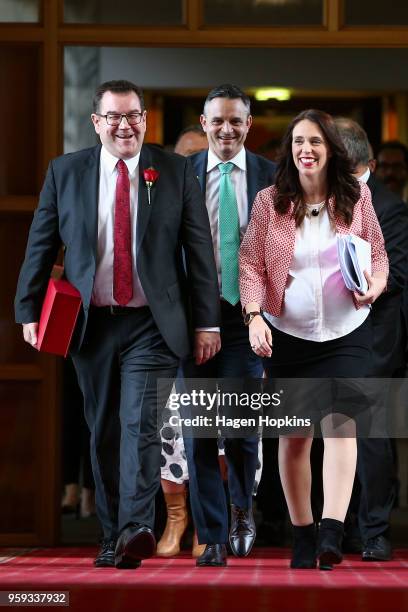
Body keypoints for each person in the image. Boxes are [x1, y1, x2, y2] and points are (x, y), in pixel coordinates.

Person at [15, 79, 221, 569]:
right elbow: (41, 245)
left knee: (142, 426)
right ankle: (112, 534)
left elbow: (199, 250)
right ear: (97, 123)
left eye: (134, 116)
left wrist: (207, 323)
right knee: (104, 430)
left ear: (145, 119)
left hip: (153, 322)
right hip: (92, 324)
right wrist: (27, 310)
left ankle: (135, 527)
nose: (126, 126)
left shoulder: (171, 171)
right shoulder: (65, 172)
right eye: (115, 117)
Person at [240, 109, 388, 570]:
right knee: (296, 438)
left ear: (330, 151)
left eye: (316, 142)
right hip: (289, 334)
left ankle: (330, 531)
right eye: (299, 141)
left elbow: (379, 257)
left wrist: (375, 287)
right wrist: (253, 316)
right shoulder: (270, 201)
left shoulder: (355, 196)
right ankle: (303, 534)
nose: (307, 150)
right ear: (290, 150)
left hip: (347, 332)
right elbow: (249, 264)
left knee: (341, 428)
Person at [184, 84, 276, 567]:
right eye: (217, 120)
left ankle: (242, 506)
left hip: (248, 316)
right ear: (204, 124)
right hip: (196, 319)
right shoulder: (182, 174)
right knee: (198, 429)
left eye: (235, 121)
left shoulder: (270, 175)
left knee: (241, 426)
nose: (226, 129)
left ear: (248, 125)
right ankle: (213, 533)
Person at [335, 118, 408, 561]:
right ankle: (337, 529)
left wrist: (368, 284)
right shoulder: (316, 199)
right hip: (323, 335)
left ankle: (374, 530)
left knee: (370, 437)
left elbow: (397, 273)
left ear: (368, 164)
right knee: (330, 433)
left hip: (373, 335)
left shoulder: (390, 207)